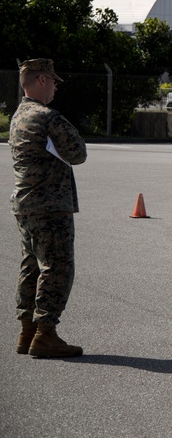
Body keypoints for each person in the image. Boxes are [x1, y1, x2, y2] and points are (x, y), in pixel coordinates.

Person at [9, 59, 88, 358]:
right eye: (53, 80)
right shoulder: (47, 117)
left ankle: (27, 331)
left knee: (31, 266)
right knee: (57, 267)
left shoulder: (18, 115)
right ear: (41, 80)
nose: (55, 86)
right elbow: (77, 153)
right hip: (50, 206)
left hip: (25, 204)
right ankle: (45, 334)